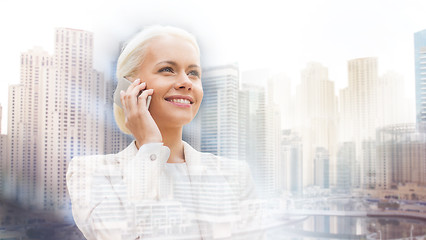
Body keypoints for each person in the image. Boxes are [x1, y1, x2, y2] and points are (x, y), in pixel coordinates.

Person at [66, 25, 263, 240]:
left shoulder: (236, 175)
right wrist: (150, 147)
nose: (186, 82)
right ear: (130, 88)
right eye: (167, 69)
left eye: (193, 73)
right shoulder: (91, 172)